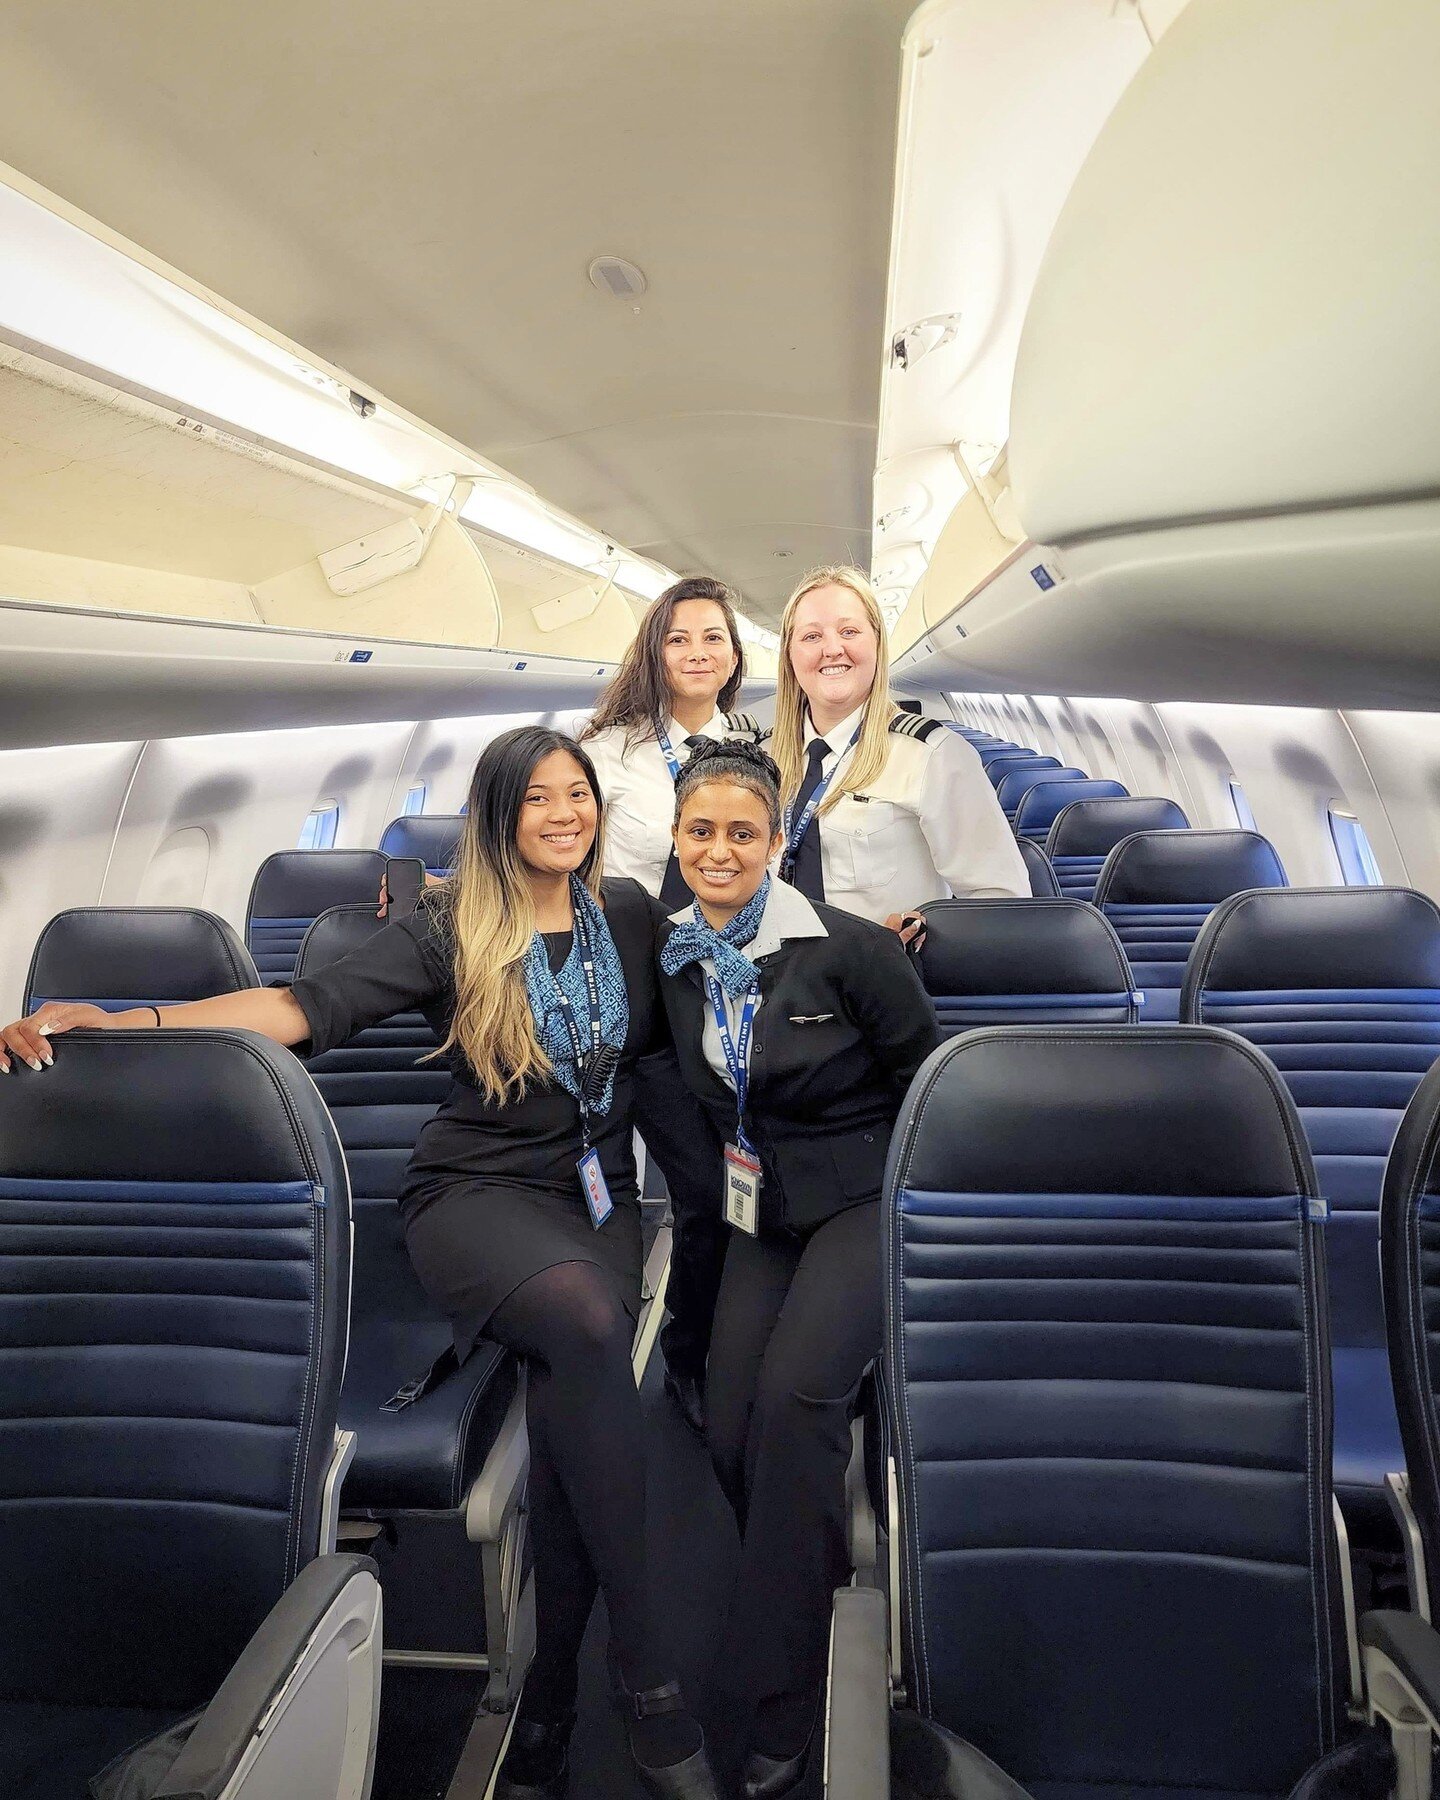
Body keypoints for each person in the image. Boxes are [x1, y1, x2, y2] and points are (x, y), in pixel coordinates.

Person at [1, 726, 720, 1800]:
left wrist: (869, 946)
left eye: (579, 795)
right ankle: (650, 1685)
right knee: (586, 1331)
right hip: (472, 1197)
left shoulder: (625, 914)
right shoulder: (448, 928)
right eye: (539, 800)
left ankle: (553, 1705)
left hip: (593, 1199)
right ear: (498, 815)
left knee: (578, 1412)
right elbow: (302, 1010)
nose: (565, 814)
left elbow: (718, 976)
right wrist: (127, 1014)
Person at [653, 739, 939, 1800]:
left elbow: (925, 1077)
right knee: (727, 1421)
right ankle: (806, 1557)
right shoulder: (669, 949)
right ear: (676, 838)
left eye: (742, 832)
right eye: (700, 831)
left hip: (862, 1201)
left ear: (777, 842)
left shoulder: (851, 949)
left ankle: (788, 1678)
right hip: (760, 1214)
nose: (719, 851)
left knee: (795, 1397)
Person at [580, 574, 765, 1437]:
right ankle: (597, 1340)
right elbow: (557, 858)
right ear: (655, 651)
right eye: (679, 638)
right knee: (602, 1184)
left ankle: (694, 1353)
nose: (697, 653)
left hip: (719, 989)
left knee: (706, 1187)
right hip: (623, 991)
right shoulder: (608, 751)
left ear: (734, 656)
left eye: (713, 639)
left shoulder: (761, 748)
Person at [770, 564, 1029, 943]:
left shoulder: (934, 756)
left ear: (877, 644)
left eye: (849, 631)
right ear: (790, 656)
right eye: (811, 636)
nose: (831, 649)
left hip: (881, 985)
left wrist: (929, 928)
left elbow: (1001, 898)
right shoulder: (763, 760)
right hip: (780, 983)